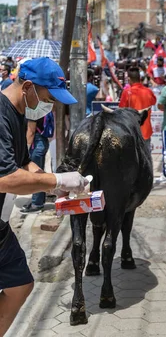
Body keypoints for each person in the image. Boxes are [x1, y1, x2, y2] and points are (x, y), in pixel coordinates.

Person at [0, 57, 88, 335]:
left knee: (20, 284)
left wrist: (55, 188)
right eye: (48, 97)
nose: (49, 105)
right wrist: (58, 178)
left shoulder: (17, 112)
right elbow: (5, 179)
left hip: (1, 225)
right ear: (27, 86)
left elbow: (24, 163)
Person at [20, 112, 55, 213]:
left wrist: (25, 149)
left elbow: (31, 131)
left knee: (36, 175)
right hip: (42, 142)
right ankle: (38, 201)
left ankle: (36, 204)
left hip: (36, 144)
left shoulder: (33, 111)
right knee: (38, 173)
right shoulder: (41, 110)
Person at [118, 67, 157, 151]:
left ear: (129, 79)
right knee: (146, 158)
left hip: (131, 131)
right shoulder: (148, 91)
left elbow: (121, 110)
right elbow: (154, 102)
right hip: (146, 131)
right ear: (140, 78)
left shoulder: (127, 92)